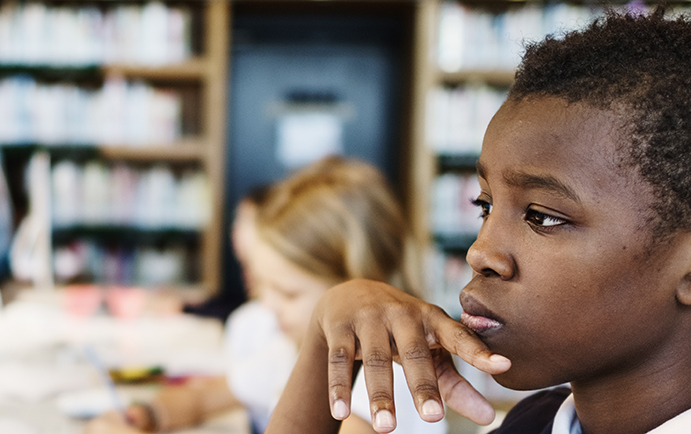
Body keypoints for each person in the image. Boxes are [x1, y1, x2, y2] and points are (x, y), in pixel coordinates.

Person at [267, 9, 691, 434]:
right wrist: (325, 338)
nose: (479, 253)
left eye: (541, 217)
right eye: (484, 206)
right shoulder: (533, 421)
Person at [88, 157, 441, 434]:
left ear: (357, 290)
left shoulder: (384, 374)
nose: (267, 306)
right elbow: (201, 399)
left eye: (287, 294)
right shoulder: (291, 349)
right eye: (262, 286)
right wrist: (146, 415)